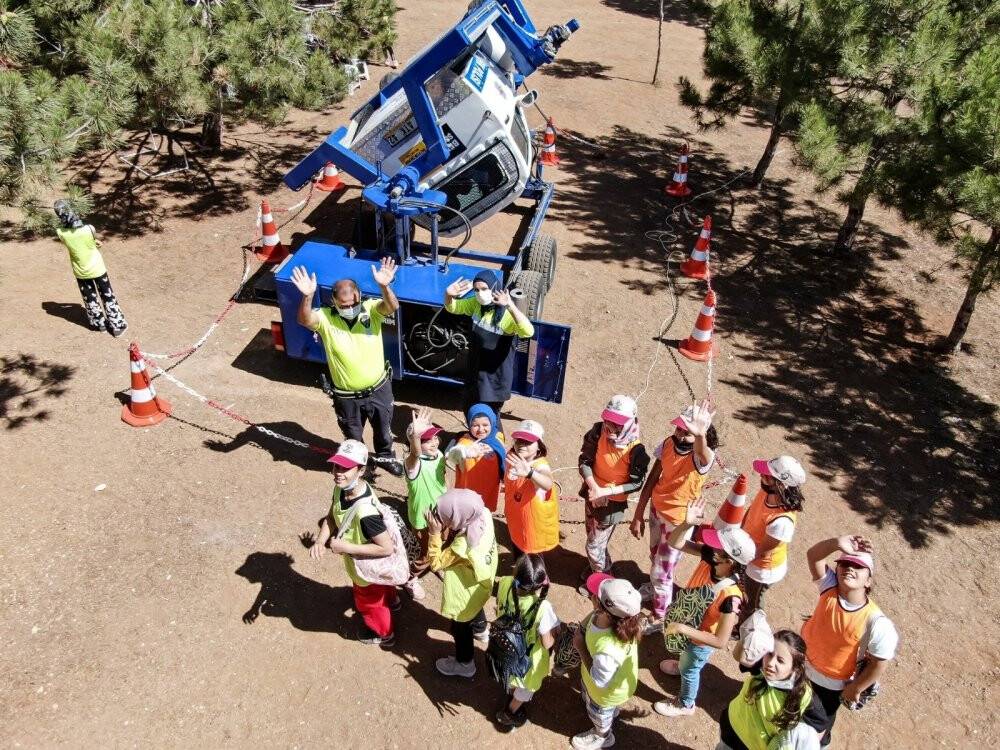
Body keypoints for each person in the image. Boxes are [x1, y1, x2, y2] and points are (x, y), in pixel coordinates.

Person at [291, 260, 404, 476]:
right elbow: (304, 319)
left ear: (359, 296)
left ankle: (386, 457)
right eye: (343, 305)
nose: (349, 308)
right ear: (333, 301)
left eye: (353, 303)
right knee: (353, 434)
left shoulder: (370, 310)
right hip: (346, 396)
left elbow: (391, 307)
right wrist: (307, 296)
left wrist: (384, 286)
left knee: (383, 428)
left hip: (379, 388)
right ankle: (361, 466)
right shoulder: (325, 317)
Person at [653, 496, 756, 719]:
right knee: (685, 658)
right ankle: (682, 664)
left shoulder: (731, 597)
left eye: (718, 547)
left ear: (729, 560)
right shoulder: (710, 558)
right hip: (689, 625)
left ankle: (685, 703)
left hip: (700, 641)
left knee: (691, 670)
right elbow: (675, 543)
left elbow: (719, 641)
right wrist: (687, 524)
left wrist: (683, 629)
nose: (711, 547)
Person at [800, 536, 899, 747]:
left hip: (830, 685)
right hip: (802, 665)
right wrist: (837, 543)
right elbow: (813, 555)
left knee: (813, 728)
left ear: (869, 580)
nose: (849, 568)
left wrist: (855, 689)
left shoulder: (876, 621)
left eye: (858, 567)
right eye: (844, 564)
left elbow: (880, 663)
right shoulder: (829, 588)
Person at [630, 400, 717, 627]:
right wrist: (639, 512)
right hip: (657, 511)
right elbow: (653, 478)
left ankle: (660, 615)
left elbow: (703, 452)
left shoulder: (701, 458)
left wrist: (699, 436)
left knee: (662, 573)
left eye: (687, 433)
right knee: (654, 556)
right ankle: (656, 586)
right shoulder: (668, 444)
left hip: (678, 522)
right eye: (679, 428)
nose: (680, 434)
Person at [309, 439, 397, 646]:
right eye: (336, 465)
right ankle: (393, 601)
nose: (338, 472)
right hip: (370, 566)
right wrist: (320, 541)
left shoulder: (366, 512)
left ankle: (384, 634)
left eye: (346, 468)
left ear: (360, 470)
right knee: (381, 589)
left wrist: (345, 547)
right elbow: (331, 516)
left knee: (370, 603)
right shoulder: (341, 490)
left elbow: (386, 547)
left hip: (366, 566)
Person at [425, 488, 499, 678]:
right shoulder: (483, 514)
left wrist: (434, 533)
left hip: (465, 593)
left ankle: (465, 663)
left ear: (458, 519)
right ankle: (481, 630)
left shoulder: (462, 546)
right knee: (476, 607)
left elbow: (435, 562)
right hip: (483, 583)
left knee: (460, 627)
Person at [577, 395, 650, 582]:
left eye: (617, 423)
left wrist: (605, 492)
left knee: (593, 546)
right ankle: (600, 568)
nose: (610, 426)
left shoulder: (636, 451)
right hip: (592, 494)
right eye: (608, 419)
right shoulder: (597, 431)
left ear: (630, 423)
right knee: (595, 540)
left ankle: (603, 582)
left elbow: (637, 483)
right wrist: (594, 488)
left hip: (611, 505)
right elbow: (584, 460)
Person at [444, 270, 535, 417]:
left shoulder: (506, 314)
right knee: (470, 412)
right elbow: (453, 307)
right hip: (474, 375)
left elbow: (528, 331)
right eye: (476, 289)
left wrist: (510, 306)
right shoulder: (475, 304)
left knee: (487, 419)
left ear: (494, 287)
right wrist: (448, 295)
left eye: (484, 289)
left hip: (495, 381)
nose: (480, 293)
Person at [571, 573, 644, 750]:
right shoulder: (619, 619)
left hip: (605, 693)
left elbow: (600, 680)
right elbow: (592, 618)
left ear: (600, 605)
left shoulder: (608, 650)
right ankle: (609, 711)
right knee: (597, 702)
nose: (592, 595)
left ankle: (602, 736)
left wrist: (580, 645)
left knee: (599, 714)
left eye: (595, 595)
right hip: (616, 682)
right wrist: (582, 628)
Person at [719, 630, 821, 750]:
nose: (771, 663)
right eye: (770, 654)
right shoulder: (760, 667)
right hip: (730, 730)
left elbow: (819, 726)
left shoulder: (804, 695)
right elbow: (739, 656)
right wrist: (746, 632)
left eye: (780, 661)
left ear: (795, 668)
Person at [494, 554, 560, 730]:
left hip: (505, 645)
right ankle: (510, 712)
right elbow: (547, 643)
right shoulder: (542, 608)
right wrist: (556, 632)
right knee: (525, 689)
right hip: (528, 660)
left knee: (511, 678)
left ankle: (510, 690)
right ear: (540, 583)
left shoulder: (505, 582)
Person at [739, 456, 807, 624]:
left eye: (767, 475)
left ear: (780, 484)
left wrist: (736, 554)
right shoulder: (767, 490)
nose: (762, 475)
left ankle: (748, 626)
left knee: (752, 602)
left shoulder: (782, 522)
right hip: (747, 554)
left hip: (761, 570)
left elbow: (762, 552)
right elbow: (751, 511)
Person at [52, 199, 128, 337]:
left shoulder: (61, 233)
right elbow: (89, 238)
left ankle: (99, 324)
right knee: (107, 295)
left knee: (89, 297)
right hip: (98, 268)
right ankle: (117, 326)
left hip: (80, 271)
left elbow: (77, 242)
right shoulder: (89, 229)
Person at [403, 406, 447, 601]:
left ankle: (437, 563)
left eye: (435, 437)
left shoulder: (440, 456)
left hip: (442, 513)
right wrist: (415, 438)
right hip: (422, 519)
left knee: (442, 541)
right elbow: (414, 455)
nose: (434, 442)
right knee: (423, 554)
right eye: (426, 439)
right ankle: (410, 578)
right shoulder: (413, 464)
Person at [504, 419, 559, 555]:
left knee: (533, 561)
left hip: (532, 528)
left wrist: (530, 473)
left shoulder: (540, 466)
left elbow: (547, 483)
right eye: (518, 440)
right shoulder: (513, 459)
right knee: (517, 552)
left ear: (539, 446)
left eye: (528, 442)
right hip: (516, 521)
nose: (522, 445)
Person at [446, 403, 506, 512]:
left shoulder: (497, 437)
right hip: (469, 489)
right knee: (468, 514)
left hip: (489, 487)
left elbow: (503, 457)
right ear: (469, 425)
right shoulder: (465, 441)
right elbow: (453, 455)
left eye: (485, 425)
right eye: (475, 425)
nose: (481, 429)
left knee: (484, 513)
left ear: (492, 423)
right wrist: (465, 452)